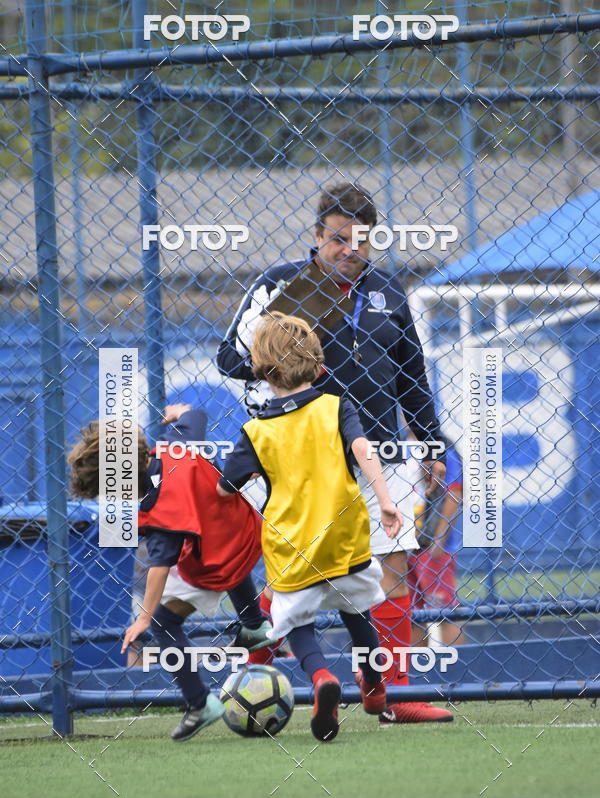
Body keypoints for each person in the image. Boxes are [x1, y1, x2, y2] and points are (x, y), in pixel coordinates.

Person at [217, 181, 452, 723]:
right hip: (303, 461)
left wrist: (432, 446)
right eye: (340, 239)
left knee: (391, 567)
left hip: (382, 455)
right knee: (286, 577)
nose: (351, 250)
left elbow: (413, 379)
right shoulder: (281, 286)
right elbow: (229, 357)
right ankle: (253, 682)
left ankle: (393, 697)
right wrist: (287, 360)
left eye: (363, 242)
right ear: (317, 236)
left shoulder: (390, 294)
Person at [216, 314, 403, 742]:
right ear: (318, 364)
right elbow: (362, 448)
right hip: (345, 535)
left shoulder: (256, 431)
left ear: (262, 370)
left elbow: (226, 489)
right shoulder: (335, 405)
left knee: (291, 622)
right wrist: (387, 501)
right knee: (357, 610)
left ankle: (320, 678)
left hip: (291, 544)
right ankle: (374, 686)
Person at [67, 404, 273, 742]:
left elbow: (159, 568)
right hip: (246, 531)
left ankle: (199, 702)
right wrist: (182, 412)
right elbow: (198, 415)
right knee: (224, 550)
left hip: (213, 564)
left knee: (166, 622)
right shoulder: (175, 444)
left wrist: (144, 618)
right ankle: (254, 624)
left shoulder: (157, 511)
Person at [409, 439, 464, 647]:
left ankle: (458, 671)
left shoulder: (439, 446)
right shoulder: (396, 444)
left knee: (445, 611)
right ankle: (417, 672)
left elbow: (454, 492)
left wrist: (438, 540)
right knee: (412, 614)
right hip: (404, 545)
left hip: (430, 544)